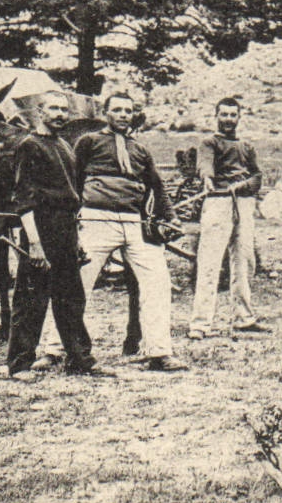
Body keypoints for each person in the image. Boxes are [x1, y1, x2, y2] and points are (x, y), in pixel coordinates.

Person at [34, 93, 186, 373]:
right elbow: (72, 180)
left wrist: (172, 218)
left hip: (135, 222)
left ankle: (159, 352)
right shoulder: (88, 142)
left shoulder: (140, 149)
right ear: (106, 113)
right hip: (96, 218)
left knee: (158, 282)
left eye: (128, 110)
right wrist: (72, 219)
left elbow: (156, 186)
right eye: (117, 110)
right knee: (74, 284)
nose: (123, 115)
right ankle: (54, 350)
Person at [4, 92, 110, 379]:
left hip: (66, 229)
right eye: (54, 108)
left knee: (71, 299)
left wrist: (77, 239)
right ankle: (19, 364)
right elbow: (24, 200)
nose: (60, 114)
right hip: (41, 227)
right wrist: (35, 244)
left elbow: (73, 197)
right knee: (31, 300)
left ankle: (80, 359)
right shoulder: (29, 146)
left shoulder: (64, 146)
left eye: (64, 109)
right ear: (40, 111)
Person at [190, 96, 268, 339]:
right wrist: (208, 180)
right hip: (218, 201)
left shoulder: (246, 146)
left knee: (244, 260)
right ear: (216, 116)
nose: (228, 119)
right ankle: (200, 323)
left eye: (233, 115)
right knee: (210, 262)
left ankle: (244, 318)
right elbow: (205, 166)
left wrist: (244, 185)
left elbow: (257, 177)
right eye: (224, 114)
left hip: (244, 204)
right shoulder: (209, 143)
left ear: (239, 117)